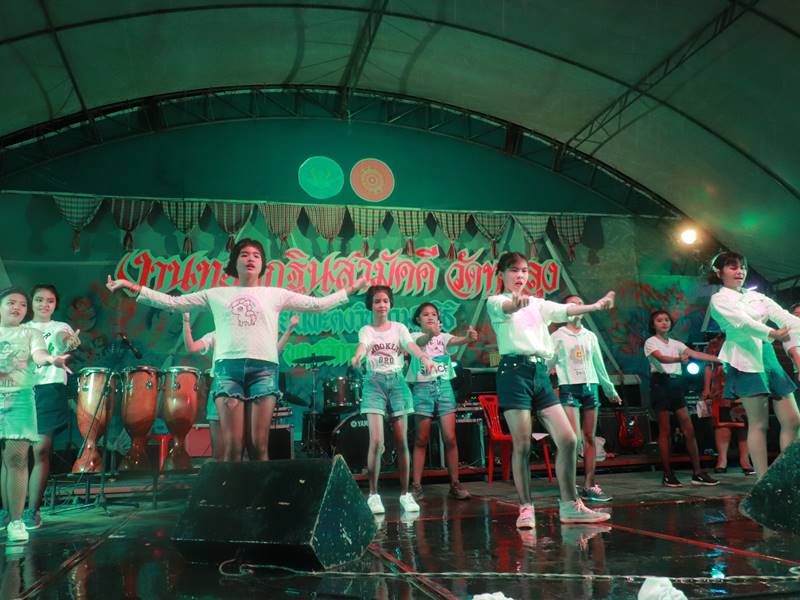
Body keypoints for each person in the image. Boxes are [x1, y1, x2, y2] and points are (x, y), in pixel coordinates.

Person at [107, 238, 367, 463]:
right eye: (244, 254)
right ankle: (234, 500)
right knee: (233, 447)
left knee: (259, 446)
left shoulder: (275, 294)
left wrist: (350, 290)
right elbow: (174, 303)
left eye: (256, 255)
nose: (250, 259)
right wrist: (135, 289)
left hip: (264, 370)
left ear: (263, 264)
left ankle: (261, 501)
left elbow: (318, 305)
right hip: (227, 370)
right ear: (235, 262)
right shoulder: (216, 294)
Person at [487, 252, 614, 529]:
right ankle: (525, 507)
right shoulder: (495, 301)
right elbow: (507, 307)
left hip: (540, 373)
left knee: (568, 439)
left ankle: (570, 505)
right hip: (514, 373)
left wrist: (595, 306)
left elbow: (564, 310)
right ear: (501, 274)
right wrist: (514, 304)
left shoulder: (537, 304)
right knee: (522, 444)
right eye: (513, 270)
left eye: (524, 270)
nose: (520, 275)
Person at [708, 251, 800, 479]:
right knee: (759, 424)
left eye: (742, 267)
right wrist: (772, 332)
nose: (740, 271)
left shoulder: (756, 296)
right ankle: (763, 480)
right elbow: (742, 323)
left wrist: (792, 327)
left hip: (767, 355)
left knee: (793, 420)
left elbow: (784, 316)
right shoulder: (719, 299)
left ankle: (786, 475)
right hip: (744, 358)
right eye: (733, 267)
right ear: (719, 272)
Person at [351, 285, 436, 515]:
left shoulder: (399, 328)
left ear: (390, 304)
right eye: (377, 301)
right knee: (377, 441)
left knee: (401, 441)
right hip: (374, 383)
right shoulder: (367, 330)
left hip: (397, 383)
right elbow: (363, 346)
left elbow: (410, 345)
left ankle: (405, 494)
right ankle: (373, 495)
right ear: (371, 305)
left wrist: (424, 357)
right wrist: (357, 357)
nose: (382, 305)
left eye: (385, 301)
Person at [0, 287, 70, 544]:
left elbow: (48, 349)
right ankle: (7, 512)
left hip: (31, 395)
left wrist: (52, 358)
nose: (17, 308)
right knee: (7, 458)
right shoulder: (17, 328)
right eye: (11, 303)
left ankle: (24, 515)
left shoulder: (41, 331)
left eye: (22, 304)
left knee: (27, 454)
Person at [182, 312, 298, 461]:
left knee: (251, 450)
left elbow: (273, 353)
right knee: (221, 453)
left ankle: (248, 476)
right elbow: (191, 347)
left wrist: (288, 330)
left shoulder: (254, 338)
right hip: (222, 388)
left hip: (248, 393)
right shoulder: (217, 334)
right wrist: (186, 321)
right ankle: (226, 476)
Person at [549, 294, 622, 503]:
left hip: (591, 387)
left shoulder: (590, 336)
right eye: (572, 304)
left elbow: (599, 364)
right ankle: (569, 487)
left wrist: (610, 390)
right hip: (569, 388)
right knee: (574, 439)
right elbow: (548, 361)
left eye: (581, 303)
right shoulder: (558, 336)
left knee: (590, 437)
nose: (577, 306)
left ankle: (590, 485)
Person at [23, 285, 80, 530]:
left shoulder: (60, 327)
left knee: (40, 450)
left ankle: (32, 511)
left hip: (49, 391)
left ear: (56, 304)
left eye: (50, 300)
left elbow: (63, 340)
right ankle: (11, 512)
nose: (44, 304)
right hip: (21, 391)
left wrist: (70, 341)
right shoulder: (20, 328)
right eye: (39, 299)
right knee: (14, 455)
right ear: (31, 302)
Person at [407, 302, 477, 502]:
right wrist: (431, 334)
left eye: (434, 314)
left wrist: (468, 338)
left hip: (444, 387)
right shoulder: (413, 337)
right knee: (421, 439)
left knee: (450, 438)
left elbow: (456, 340)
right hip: (423, 388)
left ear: (438, 319)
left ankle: (455, 484)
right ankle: (416, 485)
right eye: (425, 314)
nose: (430, 317)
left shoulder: (443, 337)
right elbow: (422, 340)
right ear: (418, 319)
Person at [645, 310, 720, 487]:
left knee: (689, 429)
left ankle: (697, 473)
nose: (664, 323)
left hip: (676, 385)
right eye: (659, 320)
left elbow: (695, 354)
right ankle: (667, 473)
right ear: (653, 325)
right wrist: (679, 359)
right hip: (661, 385)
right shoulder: (651, 342)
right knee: (665, 430)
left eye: (666, 320)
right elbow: (661, 358)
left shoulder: (676, 343)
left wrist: (719, 358)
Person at [701, 333, 754, 476]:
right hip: (721, 387)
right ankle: (722, 460)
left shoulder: (745, 338)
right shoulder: (714, 343)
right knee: (722, 424)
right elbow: (708, 366)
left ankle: (745, 460)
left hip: (742, 384)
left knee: (743, 424)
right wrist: (706, 388)